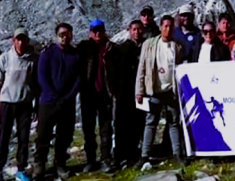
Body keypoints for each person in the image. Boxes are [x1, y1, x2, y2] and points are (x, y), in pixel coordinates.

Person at [135, 15, 186, 167]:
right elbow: (142, 68)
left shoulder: (178, 46)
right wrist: (139, 90)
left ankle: (177, 154)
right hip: (154, 90)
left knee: (174, 122)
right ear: (160, 27)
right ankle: (145, 156)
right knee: (150, 123)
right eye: (165, 26)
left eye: (171, 27)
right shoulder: (149, 44)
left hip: (171, 91)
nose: (168, 29)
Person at [34, 23, 82, 181]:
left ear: (72, 35)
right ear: (56, 36)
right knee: (43, 134)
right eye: (62, 34)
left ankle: (60, 162)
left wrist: (69, 96)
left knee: (65, 135)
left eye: (68, 34)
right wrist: (52, 94)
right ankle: (39, 163)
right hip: (48, 101)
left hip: (67, 103)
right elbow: (42, 76)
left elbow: (78, 78)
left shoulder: (75, 55)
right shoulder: (47, 53)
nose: (65, 37)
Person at [0, 28, 38, 181]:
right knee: (3, 138)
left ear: (27, 41)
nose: (21, 42)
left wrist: (36, 105)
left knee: (24, 138)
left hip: (25, 103)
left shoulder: (33, 59)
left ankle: (21, 169)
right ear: (13, 41)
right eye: (18, 39)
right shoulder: (5, 58)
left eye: (23, 39)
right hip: (7, 103)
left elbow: (36, 84)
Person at [77, 20, 119, 173]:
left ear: (104, 31)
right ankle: (90, 160)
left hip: (105, 94)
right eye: (94, 31)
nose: (97, 33)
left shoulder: (112, 49)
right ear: (90, 32)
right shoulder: (83, 48)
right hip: (88, 94)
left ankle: (106, 159)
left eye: (100, 30)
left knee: (106, 128)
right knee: (88, 129)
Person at [115, 20, 146, 167]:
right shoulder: (122, 48)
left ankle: (135, 151)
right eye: (134, 29)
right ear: (129, 30)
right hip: (125, 92)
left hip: (142, 91)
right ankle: (120, 153)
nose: (137, 32)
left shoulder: (147, 47)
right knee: (122, 123)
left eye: (139, 29)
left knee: (138, 122)